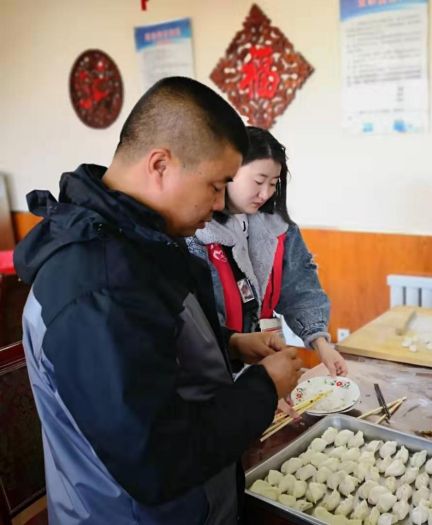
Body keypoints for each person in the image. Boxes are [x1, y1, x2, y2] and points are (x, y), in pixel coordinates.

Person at [13, 77, 302, 524]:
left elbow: (150, 345)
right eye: (215, 185)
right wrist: (263, 387)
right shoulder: (97, 287)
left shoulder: (137, 239)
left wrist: (229, 344)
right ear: (161, 165)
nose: (220, 203)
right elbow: (156, 461)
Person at [187, 127, 347, 376]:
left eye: (273, 184)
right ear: (227, 172)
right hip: (213, 365)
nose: (265, 194)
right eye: (258, 181)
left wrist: (321, 343)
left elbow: (300, 287)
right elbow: (195, 322)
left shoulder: (278, 227)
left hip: (267, 352)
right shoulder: (195, 231)